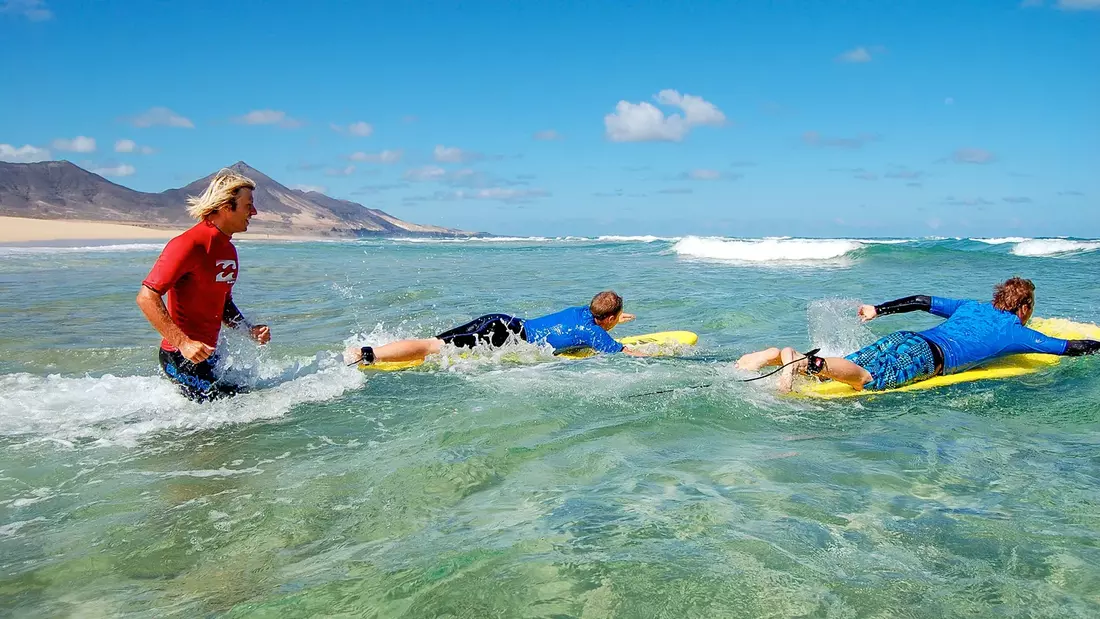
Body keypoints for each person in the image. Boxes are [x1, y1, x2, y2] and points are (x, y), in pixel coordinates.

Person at [736, 277, 1100, 393]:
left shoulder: (969, 306)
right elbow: (1069, 348)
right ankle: (805, 362)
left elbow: (922, 301)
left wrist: (879, 309)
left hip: (906, 338)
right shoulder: (1016, 332)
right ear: (1024, 308)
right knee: (867, 380)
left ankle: (778, 355)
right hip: (927, 358)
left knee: (847, 365)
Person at [136, 168, 272, 402]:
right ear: (225, 207)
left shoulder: (228, 250)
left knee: (249, 399)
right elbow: (146, 297)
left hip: (209, 355)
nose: (255, 212)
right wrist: (184, 343)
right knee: (232, 409)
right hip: (180, 358)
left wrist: (247, 329)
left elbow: (223, 303)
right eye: (248, 205)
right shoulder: (188, 245)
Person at [343, 290, 654, 366]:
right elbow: (627, 352)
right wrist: (657, 354)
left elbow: (591, 321)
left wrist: (614, 320)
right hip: (506, 338)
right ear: (610, 319)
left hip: (500, 321)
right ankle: (367, 355)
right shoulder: (595, 333)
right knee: (430, 348)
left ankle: (375, 349)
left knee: (432, 341)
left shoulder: (582, 312)